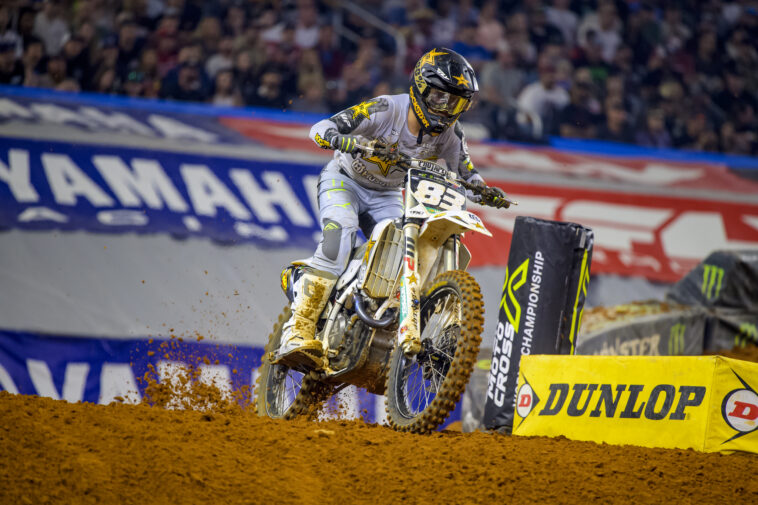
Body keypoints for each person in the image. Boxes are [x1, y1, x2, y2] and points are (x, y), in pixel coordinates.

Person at [275, 48, 509, 369]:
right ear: (420, 88)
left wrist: (486, 191)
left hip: (387, 194)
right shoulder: (386, 108)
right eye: (439, 98)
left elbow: (467, 173)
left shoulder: (451, 135)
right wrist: (343, 140)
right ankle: (297, 330)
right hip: (345, 181)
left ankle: (364, 314)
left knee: (399, 252)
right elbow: (321, 127)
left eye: (455, 103)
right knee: (339, 238)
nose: (445, 109)